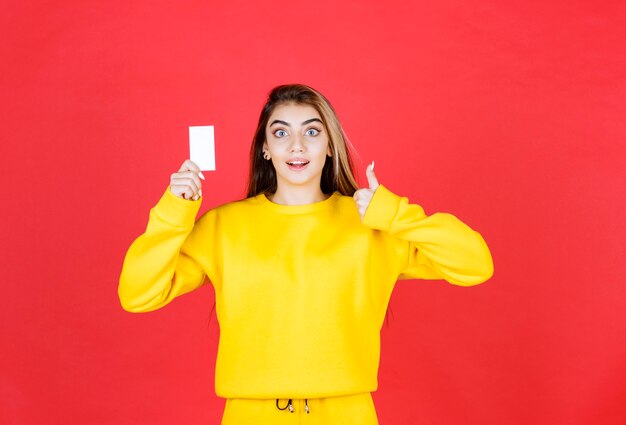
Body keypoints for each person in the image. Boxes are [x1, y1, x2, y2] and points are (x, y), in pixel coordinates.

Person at [118, 84, 494, 424]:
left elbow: (475, 263)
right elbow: (138, 294)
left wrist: (395, 215)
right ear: (265, 148)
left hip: (348, 413)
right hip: (251, 414)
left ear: (330, 145)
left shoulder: (373, 225)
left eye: (311, 132)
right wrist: (174, 212)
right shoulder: (223, 227)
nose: (296, 146)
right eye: (281, 133)